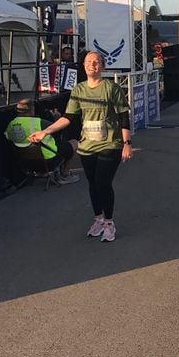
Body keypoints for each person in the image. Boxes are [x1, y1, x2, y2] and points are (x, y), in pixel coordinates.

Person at [28, 51, 132, 242]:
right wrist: (45, 132)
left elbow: (123, 116)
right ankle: (98, 219)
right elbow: (68, 118)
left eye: (97, 62)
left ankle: (109, 222)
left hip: (110, 144)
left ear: (103, 66)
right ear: (84, 66)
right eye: (89, 62)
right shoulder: (79, 90)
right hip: (87, 146)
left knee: (103, 182)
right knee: (93, 184)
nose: (93, 65)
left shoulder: (111, 88)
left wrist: (126, 143)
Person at [5, 99, 80, 184]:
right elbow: (59, 130)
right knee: (74, 143)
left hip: (25, 162)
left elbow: (8, 138)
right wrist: (57, 118)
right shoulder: (39, 122)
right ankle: (65, 175)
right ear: (32, 109)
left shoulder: (11, 124)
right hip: (49, 160)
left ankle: (42, 172)